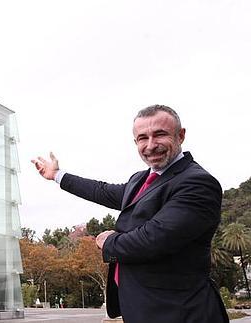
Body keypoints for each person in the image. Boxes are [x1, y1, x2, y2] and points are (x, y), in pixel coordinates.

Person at [31, 105, 228, 323]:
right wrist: (57, 175)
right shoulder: (140, 179)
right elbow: (101, 190)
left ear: (180, 135)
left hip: (180, 312)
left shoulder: (197, 183)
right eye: (142, 138)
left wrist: (107, 241)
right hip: (143, 309)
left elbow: (152, 240)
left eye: (160, 134)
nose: (151, 145)